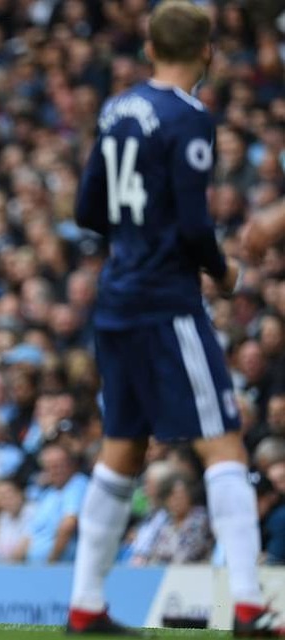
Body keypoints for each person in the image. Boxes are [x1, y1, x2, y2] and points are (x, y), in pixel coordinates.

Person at [66, 3, 279, 635]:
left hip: (117, 297)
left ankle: (85, 605)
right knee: (224, 440)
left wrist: (133, 238)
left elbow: (86, 207)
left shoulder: (116, 109)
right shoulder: (188, 117)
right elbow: (193, 226)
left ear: (150, 47)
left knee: (122, 448)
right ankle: (246, 603)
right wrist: (223, 272)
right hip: (166, 301)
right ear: (207, 50)